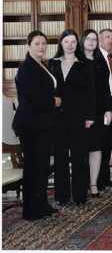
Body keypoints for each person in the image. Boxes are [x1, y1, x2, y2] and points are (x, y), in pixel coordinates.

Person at [12, 30, 60, 220]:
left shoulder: (41, 65)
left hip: (43, 125)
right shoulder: (26, 68)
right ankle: (31, 210)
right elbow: (32, 98)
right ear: (28, 46)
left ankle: (42, 204)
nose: (41, 47)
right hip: (31, 125)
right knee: (33, 167)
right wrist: (53, 101)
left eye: (43, 44)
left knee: (41, 167)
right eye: (37, 43)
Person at [49, 29, 95, 205]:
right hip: (58, 118)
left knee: (79, 157)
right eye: (66, 42)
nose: (70, 45)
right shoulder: (52, 63)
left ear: (78, 44)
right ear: (61, 43)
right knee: (60, 157)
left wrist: (90, 116)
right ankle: (62, 196)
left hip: (79, 117)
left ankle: (79, 195)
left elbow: (90, 93)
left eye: (73, 42)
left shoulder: (84, 64)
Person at [81, 29, 112, 197]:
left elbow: (106, 89)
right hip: (82, 114)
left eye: (94, 39)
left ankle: (93, 183)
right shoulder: (78, 62)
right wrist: (86, 115)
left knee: (96, 148)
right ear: (83, 41)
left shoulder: (100, 61)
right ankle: (82, 183)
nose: (92, 42)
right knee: (82, 150)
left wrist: (108, 108)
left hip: (99, 112)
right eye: (89, 39)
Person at [96, 28, 112, 191]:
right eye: (106, 37)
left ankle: (105, 177)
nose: (110, 40)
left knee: (108, 142)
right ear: (99, 39)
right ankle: (98, 180)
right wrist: (106, 107)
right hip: (103, 105)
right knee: (101, 143)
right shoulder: (97, 58)